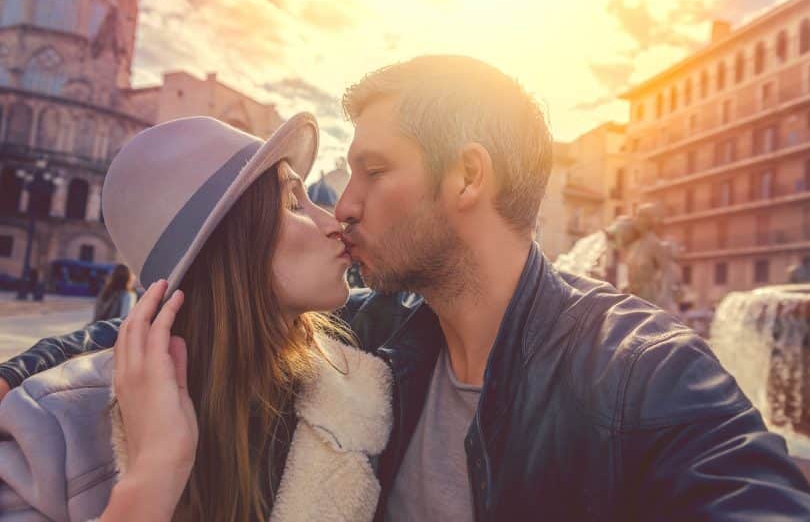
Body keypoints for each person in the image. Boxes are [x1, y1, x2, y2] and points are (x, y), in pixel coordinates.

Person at [2, 56, 810, 521]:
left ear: (467, 176)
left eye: (373, 170)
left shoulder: (640, 370)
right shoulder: (382, 339)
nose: (340, 206)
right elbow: (199, 322)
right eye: (315, 187)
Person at [0, 113, 392, 522]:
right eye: (294, 203)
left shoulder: (366, 392)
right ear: (226, 249)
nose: (334, 223)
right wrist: (152, 477)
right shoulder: (50, 433)